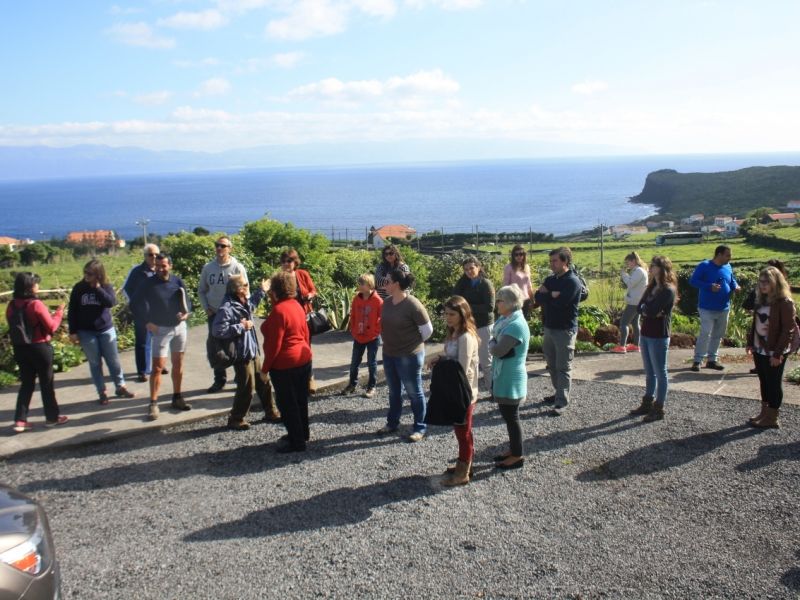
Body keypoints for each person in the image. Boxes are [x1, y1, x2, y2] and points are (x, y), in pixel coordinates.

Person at [131, 254, 192, 420]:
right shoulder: (148, 284)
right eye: (157, 266)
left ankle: (177, 397)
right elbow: (134, 304)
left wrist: (186, 314)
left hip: (179, 328)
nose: (160, 269)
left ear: (170, 266)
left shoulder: (177, 281)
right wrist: (146, 322)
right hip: (160, 330)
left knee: (178, 363)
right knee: (158, 367)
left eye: (163, 266)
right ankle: (153, 403)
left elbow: (188, 301)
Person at [7, 272, 68, 432]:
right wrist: (59, 313)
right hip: (39, 347)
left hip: (20, 348)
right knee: (46, 384)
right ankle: (52, 418)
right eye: (36, 283)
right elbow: (52, 327)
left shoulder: (12, 305)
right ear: (30, 287)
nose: (38, 286)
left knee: (26, 384)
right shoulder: (36, 304)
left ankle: (20, 420)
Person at [259, 271, 313, 453]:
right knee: (300, 401)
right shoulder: (296, 305)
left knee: (287, 404)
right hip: (303, 359)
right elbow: (305, 333)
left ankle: (296, 442)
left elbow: (274, 345)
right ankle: (302, 434)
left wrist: (265, 369)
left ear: (275, 291)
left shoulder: (278, 312)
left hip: (285, 365)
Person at [376, 269, 432, 442]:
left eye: (387, 281)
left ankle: (420, 427)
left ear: (397, 284)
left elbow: (428, 331)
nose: (384, 284)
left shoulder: (413, 305)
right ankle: (392, 423)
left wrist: (411, 344)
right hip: (389, 353)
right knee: (394, 391)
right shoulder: (386, 303)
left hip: (409, 356)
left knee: (414, 392)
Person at [67, 259, 134, 405]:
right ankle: (101, 391)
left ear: (98, 275)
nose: (86, 276)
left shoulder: (106, 286)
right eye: (85, 273)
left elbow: (111, 303)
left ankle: (120, 386)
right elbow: (72, 310)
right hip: (86, 331)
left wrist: (97, 288)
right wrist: (72, 331)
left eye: (90, 274)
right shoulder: (79, 288)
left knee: (113, 361)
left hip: (105, 330)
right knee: (95, 363)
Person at [429, 295, 479, 485]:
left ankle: (462, 473)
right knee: (463, 431)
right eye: (446, 314)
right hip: (455, 388)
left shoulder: (466, 336)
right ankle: (465, 463)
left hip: (463, 391)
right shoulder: (454, 333)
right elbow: (453, 357)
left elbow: (463, 368)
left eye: (452, 314)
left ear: (462, 314)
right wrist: (440, 359)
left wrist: (444, 368)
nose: (448, 318)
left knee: (463, 432)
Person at [212, 274, 269, 430]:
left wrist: (262, 291)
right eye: (244, 285)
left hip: (251, 350)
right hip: (242, 354)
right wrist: (241, 327)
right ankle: (236, 418)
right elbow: (217, 330)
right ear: (237, 289)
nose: (247, 287)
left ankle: (271, 411)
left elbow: (251, 305)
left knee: (263, 382)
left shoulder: (241, 302)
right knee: (246, 387)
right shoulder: (227, 307)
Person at [746, 266, 796, 429]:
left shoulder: (785, 302)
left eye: (767, 281)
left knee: (773, 382)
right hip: (760, 348)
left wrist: (778, 353)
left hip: (775, 350)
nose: (763, 285)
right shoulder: (761, 300)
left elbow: (788, 329)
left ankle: (772, 417)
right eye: (761, 281)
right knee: (764, 381)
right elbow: (755, 324)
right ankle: (764, 412)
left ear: (776, 282)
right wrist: (750, 343)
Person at [629, 256, 677, 422]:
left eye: (654, 265)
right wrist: (648, 310)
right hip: (646, 333)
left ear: (662, 268)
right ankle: (647, 402)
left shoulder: (668, 290)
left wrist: (648, 310)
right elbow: (640, 307)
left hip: (659, 335)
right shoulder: (652, 287)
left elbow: (651, 309)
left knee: (660, 372)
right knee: (649, 372)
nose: (650, 267)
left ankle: (659, 407)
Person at [534, 247, 582, 416]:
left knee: (563, 367)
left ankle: (562, 401)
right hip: (549, 328)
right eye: (551, 261)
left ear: (565, 261)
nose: (551, 264)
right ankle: (558, 393)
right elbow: (537, 297)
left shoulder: (573, 282)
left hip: (565, 330)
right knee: (551, 365)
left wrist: (550, 297)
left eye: (555, 261)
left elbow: (561, 303)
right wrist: (551, 295)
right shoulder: (550, 280)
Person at [199, 236, 249, 394]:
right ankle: (219, 380)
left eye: (223, 246)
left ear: (230, 248)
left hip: (233, 315)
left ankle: (240, 377)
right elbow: (202, 290)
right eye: (217, 245)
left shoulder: (237, 268)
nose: (219, 248)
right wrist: (206, 307)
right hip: (214, 314)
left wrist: (243, 310)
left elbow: (246, 291)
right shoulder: (208, 268)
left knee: (236, 346)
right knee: (217, 348)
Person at [489, 285, 530, 469]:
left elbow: (497, 349)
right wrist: (494, 342)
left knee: (512, 417)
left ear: (510, 303)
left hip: (511, 377)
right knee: (509, 416)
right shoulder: (507, 320)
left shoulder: (514, 325)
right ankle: (514, 450)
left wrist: (491, 342)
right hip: (506, 374)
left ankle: (517, 455)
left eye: (500, 300)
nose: (497, 303)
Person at [689, 245, 739, 371]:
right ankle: (697, 360)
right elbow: (693, 281)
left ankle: (712, 360)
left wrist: (736, 287)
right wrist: (709, 286)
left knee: (718, 334)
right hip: (707, 307)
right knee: (705, 333)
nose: (730, 258)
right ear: (719, 254)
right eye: (728, 255)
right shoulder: (704, 266)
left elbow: (732, 280)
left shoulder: (728, 266)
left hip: (724, 307)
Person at [453, 256, 495, 391]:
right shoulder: (464, 283)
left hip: (484, 326)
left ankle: (494, 391)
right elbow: (455, 299)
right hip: (469, 326)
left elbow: (489, 307)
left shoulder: (485, 284)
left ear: (478, 267)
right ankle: (472, 391)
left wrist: (467, 307)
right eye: (466, 269)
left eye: (472, 268)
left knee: (486, 362)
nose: (469, 271)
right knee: (472, 361)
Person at [280, 248, 318, 392]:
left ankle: (309, 378)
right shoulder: (279, 278)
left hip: (304, 318)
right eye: (283, 261)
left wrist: (309, 295)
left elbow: (313, 290)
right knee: (290, 349)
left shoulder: (302, 274)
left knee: (306, 347)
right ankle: (294, 379)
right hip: (288, 320)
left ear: (295, 262)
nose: (286, 264)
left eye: (289, 261)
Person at [122, 243, 161, 382]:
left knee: (160, 341)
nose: (154, 257)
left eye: (156, 254)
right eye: (150, 254)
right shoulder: (136, 271)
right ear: (145, 256)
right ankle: (142, 371)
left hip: (159, 314)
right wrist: (135, 306)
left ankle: (159, 366)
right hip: (142, 314)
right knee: (142, 343)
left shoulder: (161, 269)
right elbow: (126, 289)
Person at [343, 273, 382, 398]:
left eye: (362, 283)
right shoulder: (356, 299)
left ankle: (371, 387)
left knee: (372, 362)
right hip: (358, 336)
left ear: (369, 285)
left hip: (373, 337)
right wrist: (353, 330)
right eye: (359, 283)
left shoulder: (377, 300)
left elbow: (382, 318)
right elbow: (353, 315)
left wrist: (376, 331)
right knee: (354, 362)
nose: (359, 285)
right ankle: (352, 384)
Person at [611, 251, 648, 353]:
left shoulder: (638, 271)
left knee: (624, 323)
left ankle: (622, 346)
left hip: (634, 302)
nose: (627, 265)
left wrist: (624, 275)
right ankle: (636, 345)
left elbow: (630, 283)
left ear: (634, 261)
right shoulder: (640, 270)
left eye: (628, 262)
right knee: (635, 323)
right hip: (639, 301)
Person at [503, 245, 535, 318]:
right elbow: (505, 286)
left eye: (521, 254)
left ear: (524, 255)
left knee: (524, 322)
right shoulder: (509, 267)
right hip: (514, 301)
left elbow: (529, 286)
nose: (519, 256)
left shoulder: (526, 267)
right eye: (516, 254)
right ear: (513, 256)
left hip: (526, 300)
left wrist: (532, 300)